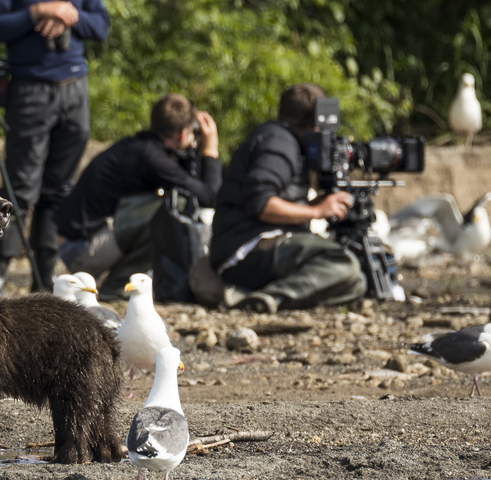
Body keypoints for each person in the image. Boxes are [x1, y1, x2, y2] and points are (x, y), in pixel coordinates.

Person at [0, 0, 109, 293]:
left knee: (59, 187)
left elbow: (101, 26)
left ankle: (42, 277)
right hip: (30, 88)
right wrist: (38, 11)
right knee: (21, 185)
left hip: (74, 87)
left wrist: (68, 15)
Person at [209, 83, 366, 313]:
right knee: (343, 262)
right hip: (246, 248)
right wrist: (316, 211)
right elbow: (261, 204)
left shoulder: (280, 138)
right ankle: (268, 298)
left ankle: (257, 296)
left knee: (355, 283)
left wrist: (311, 205)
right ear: (316, 121)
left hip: (257, 246)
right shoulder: (280, 143)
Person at [55, 93, 223, 298]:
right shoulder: (152, 158)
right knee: (168, 210)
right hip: (80, 251)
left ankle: (122, 282)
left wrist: (191, 153)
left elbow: (195, 189)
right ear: (181, 134)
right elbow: (209, 196)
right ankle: (116, 287)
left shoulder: (143, 147)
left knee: (171, 203)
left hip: (77, 243)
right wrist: (210, 149)